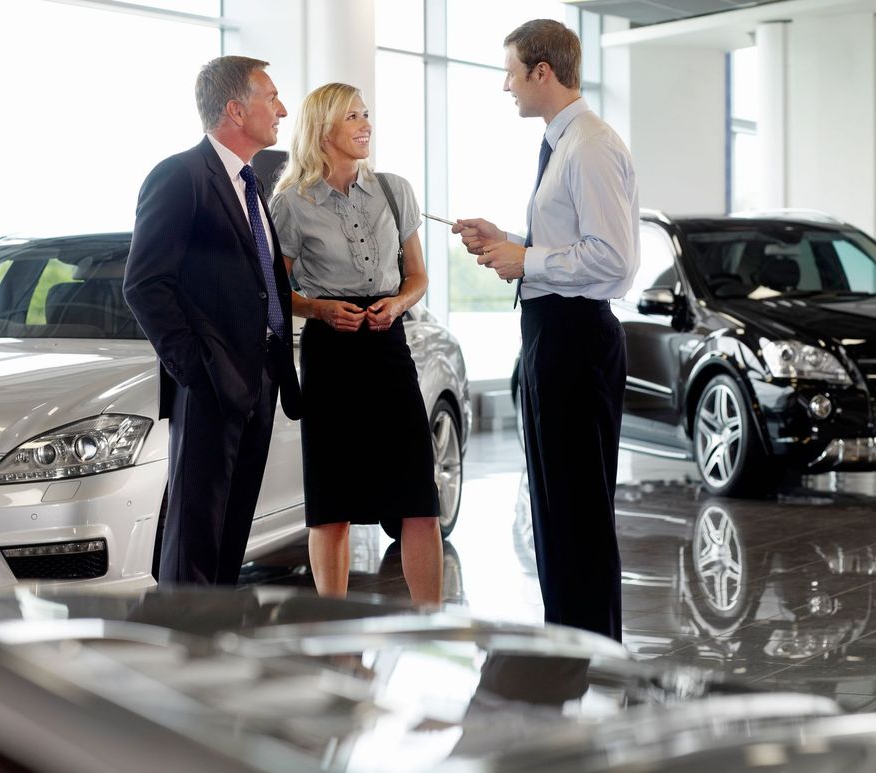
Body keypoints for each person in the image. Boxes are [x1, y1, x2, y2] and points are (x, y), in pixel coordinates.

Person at [452, 20, 639, 641]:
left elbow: (614, 261)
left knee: (577, 513)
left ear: (542, 72)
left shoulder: (589, 145)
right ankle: (571, 647)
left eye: (511, 72)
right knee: (556, 511)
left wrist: (526, 260)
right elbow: (572, 244)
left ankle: (591, 653)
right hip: (552, 336)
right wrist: (509, 242)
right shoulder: (565, 144)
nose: (506, 86)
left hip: (575, 340)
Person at [123, 56, 301, 586]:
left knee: (232, 531)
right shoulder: (180, 176)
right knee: (195, 537)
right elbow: (145, 285)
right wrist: (197, 372)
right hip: (210, 383)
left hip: (261, 378)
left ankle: (217, 646)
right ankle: (185, 652)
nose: (283, 111)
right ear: (235, 108)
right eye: (272, 99)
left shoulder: (254, 182)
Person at [270, 82, 443, 605]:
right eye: (352, 116)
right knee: (332, 501)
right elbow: (278, 292)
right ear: (323, 129)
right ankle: (334, 625)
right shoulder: (291, 204)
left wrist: (398, 304)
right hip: (330, 354)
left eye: (366, 114)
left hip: (391, 349)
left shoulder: (395, 189)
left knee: (418, 498)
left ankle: (431, 619)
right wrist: (319, 309)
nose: (365, 124)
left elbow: (417, 276)